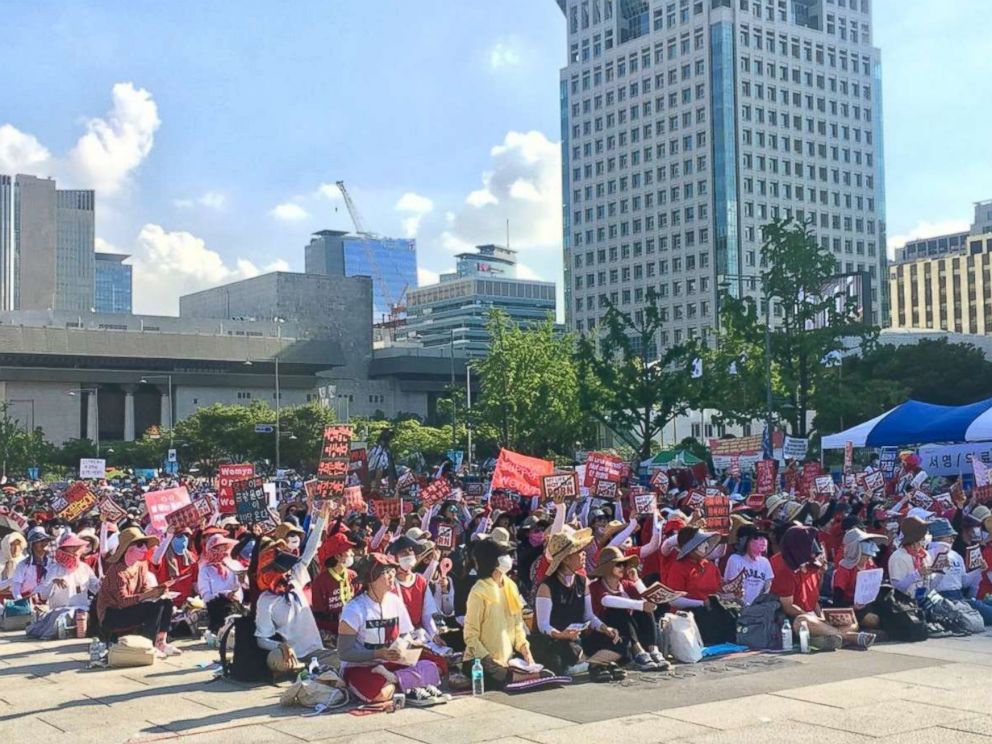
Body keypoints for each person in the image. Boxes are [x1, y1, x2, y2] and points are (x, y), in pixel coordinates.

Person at [338, 553, 446, 707]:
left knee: (438, 664)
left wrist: (405, 646)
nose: (391, 576)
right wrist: (378, 653)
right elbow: (344, 653)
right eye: (386, 572)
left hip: (392, 663)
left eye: (392, 572)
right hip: (363, 667)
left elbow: (405, 635)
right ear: (371, 579)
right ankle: (410, 684)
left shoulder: (394, 601)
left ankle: (396, 680)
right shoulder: (354, 609)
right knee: (381, 693)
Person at [531, 529, 625, 682]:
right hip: (555, 640)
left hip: (576, 638)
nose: (584, 554)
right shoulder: (547, 587)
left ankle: (592, 663)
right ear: (567, 559)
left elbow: (588, 616)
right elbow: (543, 625)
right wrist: (562, 634)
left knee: (619, 641)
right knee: (561, 656)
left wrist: (604, 628)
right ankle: (596, 663)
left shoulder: (582, 581)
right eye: (579, 551)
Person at [770, 525, 873, 650]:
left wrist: (823, 618)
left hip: (815, 617)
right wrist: (817, 619)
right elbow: (788, 607)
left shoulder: (812, 565)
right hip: (794, 617)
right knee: (802, 621)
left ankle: (826, 638)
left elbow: (814, 599)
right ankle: (847, 637)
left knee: (851, 621)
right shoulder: (783, 566)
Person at [463, 536, 536, 688]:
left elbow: (518, 625)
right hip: (481, 660)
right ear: (492, 561)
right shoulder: (478, 591)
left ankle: (524, 674)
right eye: (503, 555)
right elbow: (470, 635)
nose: (508, 558)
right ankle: (526, 677)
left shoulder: (511, 586)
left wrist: (525, 651)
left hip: (508, 659)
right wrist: (489, 659)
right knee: (493, 674)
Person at [96, 527, 181, 657]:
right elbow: (123, 601)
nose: (145, 549)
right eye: (140, 545)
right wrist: (147, 595)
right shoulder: (116, 571)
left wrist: (159, 592)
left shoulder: (141, 565)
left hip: (131, 607)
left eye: (145, 545)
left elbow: (145, 589)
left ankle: (160, 642)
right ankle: (148, 645)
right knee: (152, 608)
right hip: (112, 614)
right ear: (128, 548)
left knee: (166, 602)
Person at [254, 546, 332, 674]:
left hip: (316, 651)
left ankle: (309, 667)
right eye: (284, 569)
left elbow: (309, 552)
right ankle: (305, 667)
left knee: (347, 660)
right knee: (275, 659)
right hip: (290, 656)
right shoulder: (265, 601)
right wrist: (280, 646)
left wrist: (320, 525)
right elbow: (261, 640)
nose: (289, 571)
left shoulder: (295, 583)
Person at [588, 546, 668, 671]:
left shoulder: (626, 584)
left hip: (630, 630)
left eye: (624, 565)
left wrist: (636, 581)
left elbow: (647, 601)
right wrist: (639, 605)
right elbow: (606, 600)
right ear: (608, 567)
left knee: (645, 609)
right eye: (618, 565)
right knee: (618, 610)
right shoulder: (595, 586)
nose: (622, 568)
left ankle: (653, 650)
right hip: (605, 631)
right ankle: (638, 651)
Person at [665, 527, 736, 645]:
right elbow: (673, 600)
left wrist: (733, 594)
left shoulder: (710, 566)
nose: (706, 545)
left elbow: (718, 592)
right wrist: (701, 603)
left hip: (712, 611)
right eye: (701, 543)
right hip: (689, 615)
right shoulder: (678, 567)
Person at [927, 518, 992, 625]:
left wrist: (979, 570)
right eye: (948, 536)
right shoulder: (928, 555)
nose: (952, 539)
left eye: (952, 536)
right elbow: (929, 585)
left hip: (960, 596)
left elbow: (964, 582)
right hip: (943, 598)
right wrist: (940, 572)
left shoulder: (956, 555)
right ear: (936, 537)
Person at [832, 527, 887, 630]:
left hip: (871, 603)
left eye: (869, 556)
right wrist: (852, 607)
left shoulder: (870, 564)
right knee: (874, 620)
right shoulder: (844, 570)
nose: (868, 558)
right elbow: (837, 601)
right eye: (865, 555)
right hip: (852, 607)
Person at [311, 532, 357, 645]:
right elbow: (319, 613)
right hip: (331, 634)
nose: (352, 554)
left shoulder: (353, 576)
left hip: (354, 628)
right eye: (348, 551)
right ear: (337, 556)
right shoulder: (320, 581)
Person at [196, 534, 244, 633]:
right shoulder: (205, 570)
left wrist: (242, 580)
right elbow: (206, 596)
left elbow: (244, 586)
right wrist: (225, 594)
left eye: (224, 548)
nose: (222, 552)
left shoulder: (235, 565)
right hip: (216, 606)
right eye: (217, 548)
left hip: (236, 603)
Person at [723, 524, 774, 606]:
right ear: (745, 540)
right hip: (737, 608)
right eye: (757, 538)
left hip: (757, 609)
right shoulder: (735, 560)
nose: (763, 541)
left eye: (764, 537)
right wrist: (746, 606)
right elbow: (732, 589)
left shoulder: (765, 562)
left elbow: (767, 588)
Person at [887, 515, 935, 599]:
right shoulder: (898, 557)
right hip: (905, 606)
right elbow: (897, 588)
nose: (925, 538)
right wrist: (917, 574)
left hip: (924, 601)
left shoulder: (925, 555)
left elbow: (931, 586)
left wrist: (942, 571)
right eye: (923, 535)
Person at [151, 526, 198, 606]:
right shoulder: (163, 557)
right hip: (167, 604)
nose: (184, 539)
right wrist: (169, 535)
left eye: (186, 535)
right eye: (179, 536)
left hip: (188, 603)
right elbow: (155, 560)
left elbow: (195, 583)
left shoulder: (192, 557)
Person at [11, 527, 52, 601]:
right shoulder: (23, 565)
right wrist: (21, 602)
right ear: (32, 545)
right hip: (25, 601)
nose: (43, 544)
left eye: (45, 540)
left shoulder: (52, 563)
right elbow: (16, 588)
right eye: (39, 541)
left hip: (48, 602)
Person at [0, 531, 26, 599]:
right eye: (12, 544)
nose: (16, 548)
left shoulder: (24, 561)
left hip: (16, 598)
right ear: (6, 545)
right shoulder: (1, 558)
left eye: (18, 544)